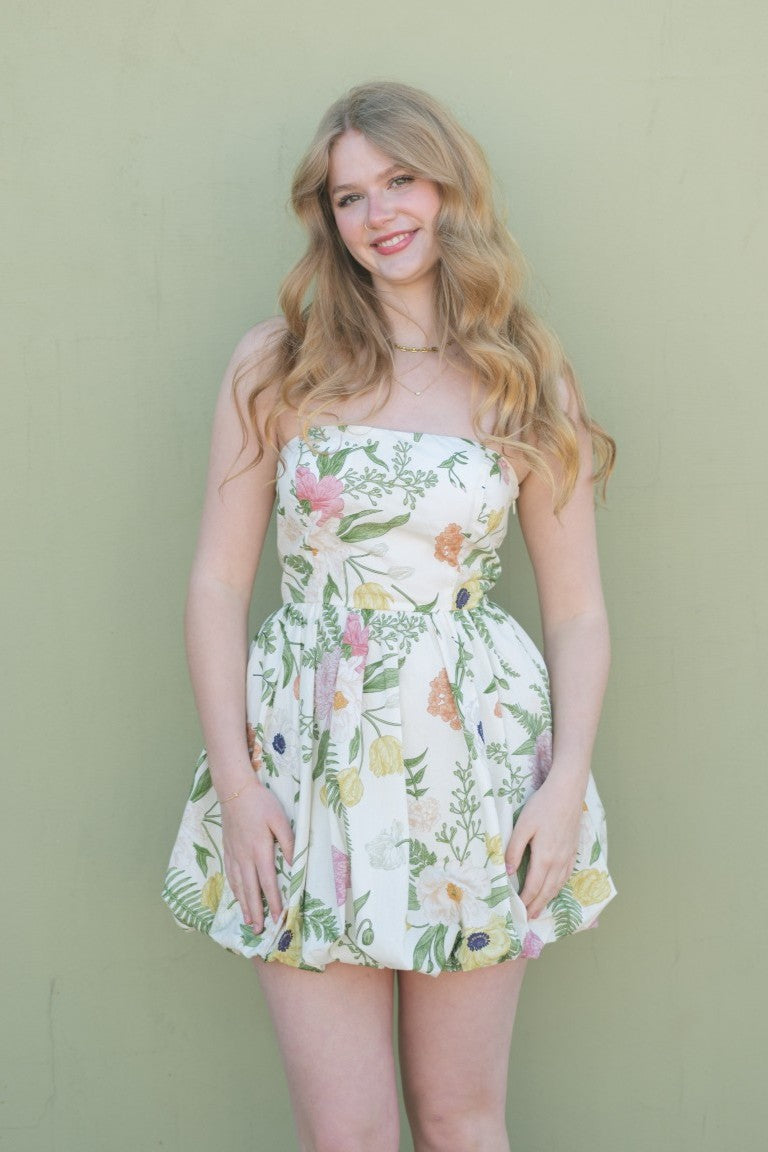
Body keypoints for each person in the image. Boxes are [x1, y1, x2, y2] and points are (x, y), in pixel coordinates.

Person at [161, 80, 618, 1152]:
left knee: (460, 1118)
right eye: (349, 196)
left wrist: (563, 785)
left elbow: (579, 613)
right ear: (328, 218)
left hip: (473, 766)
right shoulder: (277, 366)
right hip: (306, 763)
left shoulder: (524, 375)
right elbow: (218, 585)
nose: (379, 214)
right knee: (348, 1136)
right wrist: (239, 788)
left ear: (449, 187)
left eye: (400, 180)